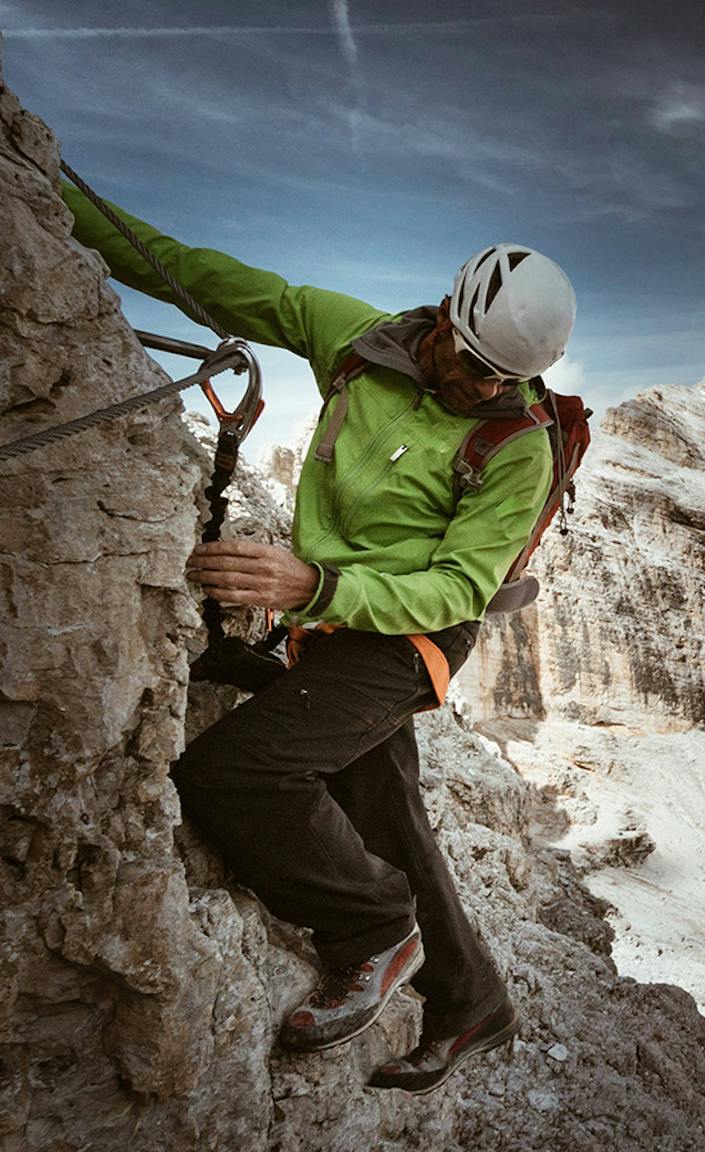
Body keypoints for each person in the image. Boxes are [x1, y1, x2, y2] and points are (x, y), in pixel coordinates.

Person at [62, 181, 576, 1095]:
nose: (488, 388)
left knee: (235, 773)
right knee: (383, 807)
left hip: (410, 636)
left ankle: (375, 929)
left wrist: (316, 584)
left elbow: (461, 586)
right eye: (477, 364)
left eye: (509, 379)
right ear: (446, 321)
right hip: (329, 619)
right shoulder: (356, 341)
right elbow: (197, 276)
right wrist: (53, 190)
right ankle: (472, 999)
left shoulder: (517, 444)